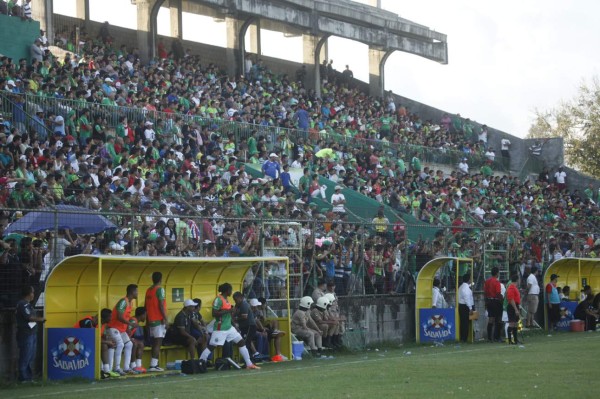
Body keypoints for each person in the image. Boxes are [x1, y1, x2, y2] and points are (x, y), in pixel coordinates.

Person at [198, 283, 260, 370]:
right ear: (227, 291)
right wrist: (229, 311)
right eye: (231, 290)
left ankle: (249, 364)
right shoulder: (218, 299)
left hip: (229, 327)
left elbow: (228, 315)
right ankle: (200, 362)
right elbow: (214, 313)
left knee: (241, 342)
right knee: (212, 346)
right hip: (221, 328)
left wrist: (234, 326)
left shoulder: (226, 299)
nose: (231, 292)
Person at [108, 284, 138, 375]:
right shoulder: (123, 302)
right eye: (136, 291)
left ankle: (126, 367)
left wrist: (127, 328)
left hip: (121, 329)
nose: (137, 293)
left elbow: (126, 317)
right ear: (132, 292)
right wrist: (130, 324)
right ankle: (116, 368)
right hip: (113, 327)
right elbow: (120, 317)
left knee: (129, 344)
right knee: (120, 344)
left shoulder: (130, 303)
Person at [16, 286, 45, 382]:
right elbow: (29, 317)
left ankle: (28, 377)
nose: (33, 294)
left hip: (32, 333)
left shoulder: (28, 304)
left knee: (31, 356)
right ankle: (23, 378)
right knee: (25, 356)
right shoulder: (22, 304)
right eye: (32, 292)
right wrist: (40, 319)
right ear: (28, 294)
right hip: (25, 334)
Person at [145, 271, 168, 372]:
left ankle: (154, 364)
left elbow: (146, 306)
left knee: (155, 342)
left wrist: (147, 320)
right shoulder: (160, 289)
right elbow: (161, 305)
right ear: (160, 279)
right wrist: (166, 318)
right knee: (158, 343)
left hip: (151, 319)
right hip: (159, 320)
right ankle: (153, 365)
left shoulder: (148, 290)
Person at [232, 292, 259, 362]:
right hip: (244, 326)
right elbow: (234, 313)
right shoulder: (238, 305)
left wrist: (236, 319)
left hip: (249, 326)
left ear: (241, 298)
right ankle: (249, 359)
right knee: (246, 342)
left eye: (236, 299)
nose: (235, 301)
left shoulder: (244, 304)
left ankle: (248, 360)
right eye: (234, 300)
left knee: (246, 343)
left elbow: (244, 317)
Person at [483, 267, 503, 342]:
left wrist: (486, 302)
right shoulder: (497, 282)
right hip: (496, 301)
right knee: (498, 319)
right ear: (497, 273)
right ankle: (497, 337)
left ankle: (489, 337)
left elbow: (485, 293)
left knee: (491, 319)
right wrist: (502, 300)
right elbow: (498, 293)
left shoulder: (487, 281)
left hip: (489, 301)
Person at [128, 307, 147, 374]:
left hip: (127, 338)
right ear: (141, 315)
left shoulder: (135, 321)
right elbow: (126, 331)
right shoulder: (133, 321)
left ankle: (138, 365)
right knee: (134, 344)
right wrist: (130, 339)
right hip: (123, 338)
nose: (145, 317)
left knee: (141, 344)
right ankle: (133, 365)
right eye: (145, 315)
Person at [458, 273, 474, 343]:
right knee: (466, 323)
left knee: (463, 322)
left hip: (462, 306)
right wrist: (470, 308)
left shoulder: (462, 286)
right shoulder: (466, 288)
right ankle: (465, 338)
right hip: (466, 306)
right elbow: (467, 298)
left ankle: (463, 337)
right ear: (468, 279)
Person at [506, 273, 522, 344]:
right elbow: (511, 299)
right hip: (512, 307)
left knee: (515, 323)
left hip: (515, 306)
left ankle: (515, 339)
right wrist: (516, 309)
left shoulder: (514, 287)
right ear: (517, 280)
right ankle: (510, 340)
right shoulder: (511, 287)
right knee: (512, 323)